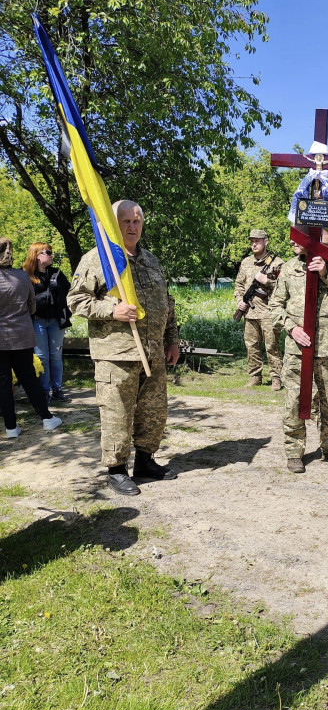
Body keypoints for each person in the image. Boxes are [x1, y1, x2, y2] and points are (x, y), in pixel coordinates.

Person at [67, 200, 180, 496]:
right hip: (116, 355)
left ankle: (145, 461)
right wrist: (111, 309)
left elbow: (166, 303)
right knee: (117, 413)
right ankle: (116, 470)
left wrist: (172, 339)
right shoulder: (99, 259)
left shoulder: (151, 260)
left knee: (153, 411)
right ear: (112, 223)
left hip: (153, 352)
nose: (132, 226)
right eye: (125, 221)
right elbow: (75, 300)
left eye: (137, 221)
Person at [270, 231, 328, 473]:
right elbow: (275, 306)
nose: (292, 241)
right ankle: (294, 452)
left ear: (319, 241)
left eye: (301, 236)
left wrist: (325, 274)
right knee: (295, 401)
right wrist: (291, 327)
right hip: (298, 349)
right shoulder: (290, 267)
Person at [0, 238, 63, 438]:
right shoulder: (22, 276)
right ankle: (47, 418)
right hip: (22, 336)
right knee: (29, 379)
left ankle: (11, 427)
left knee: (3, 383)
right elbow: (32, 306)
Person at [22, 242, 72, 402]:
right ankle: (44, 391)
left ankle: (57, 390)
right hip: (37, 321)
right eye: (48, 252)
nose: (52, 255)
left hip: (56, 321)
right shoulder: (25, 275)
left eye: (51, 252)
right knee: (42, 357)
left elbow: (70, 292)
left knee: (56, 356)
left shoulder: (57, 273)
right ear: (36, 255)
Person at [234, 229, 284, 389]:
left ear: (265, 242)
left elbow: (284, 288)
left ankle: (276, 378)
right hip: (250, 313)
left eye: (257, 241)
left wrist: (267, 281)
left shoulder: (277, 263)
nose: (254, 244)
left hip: (269, 313)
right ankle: (255, 376)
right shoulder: (246, 262)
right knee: (251, 346)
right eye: (252, 241)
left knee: (272, 346)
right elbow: (239, 285)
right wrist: (239, 301)